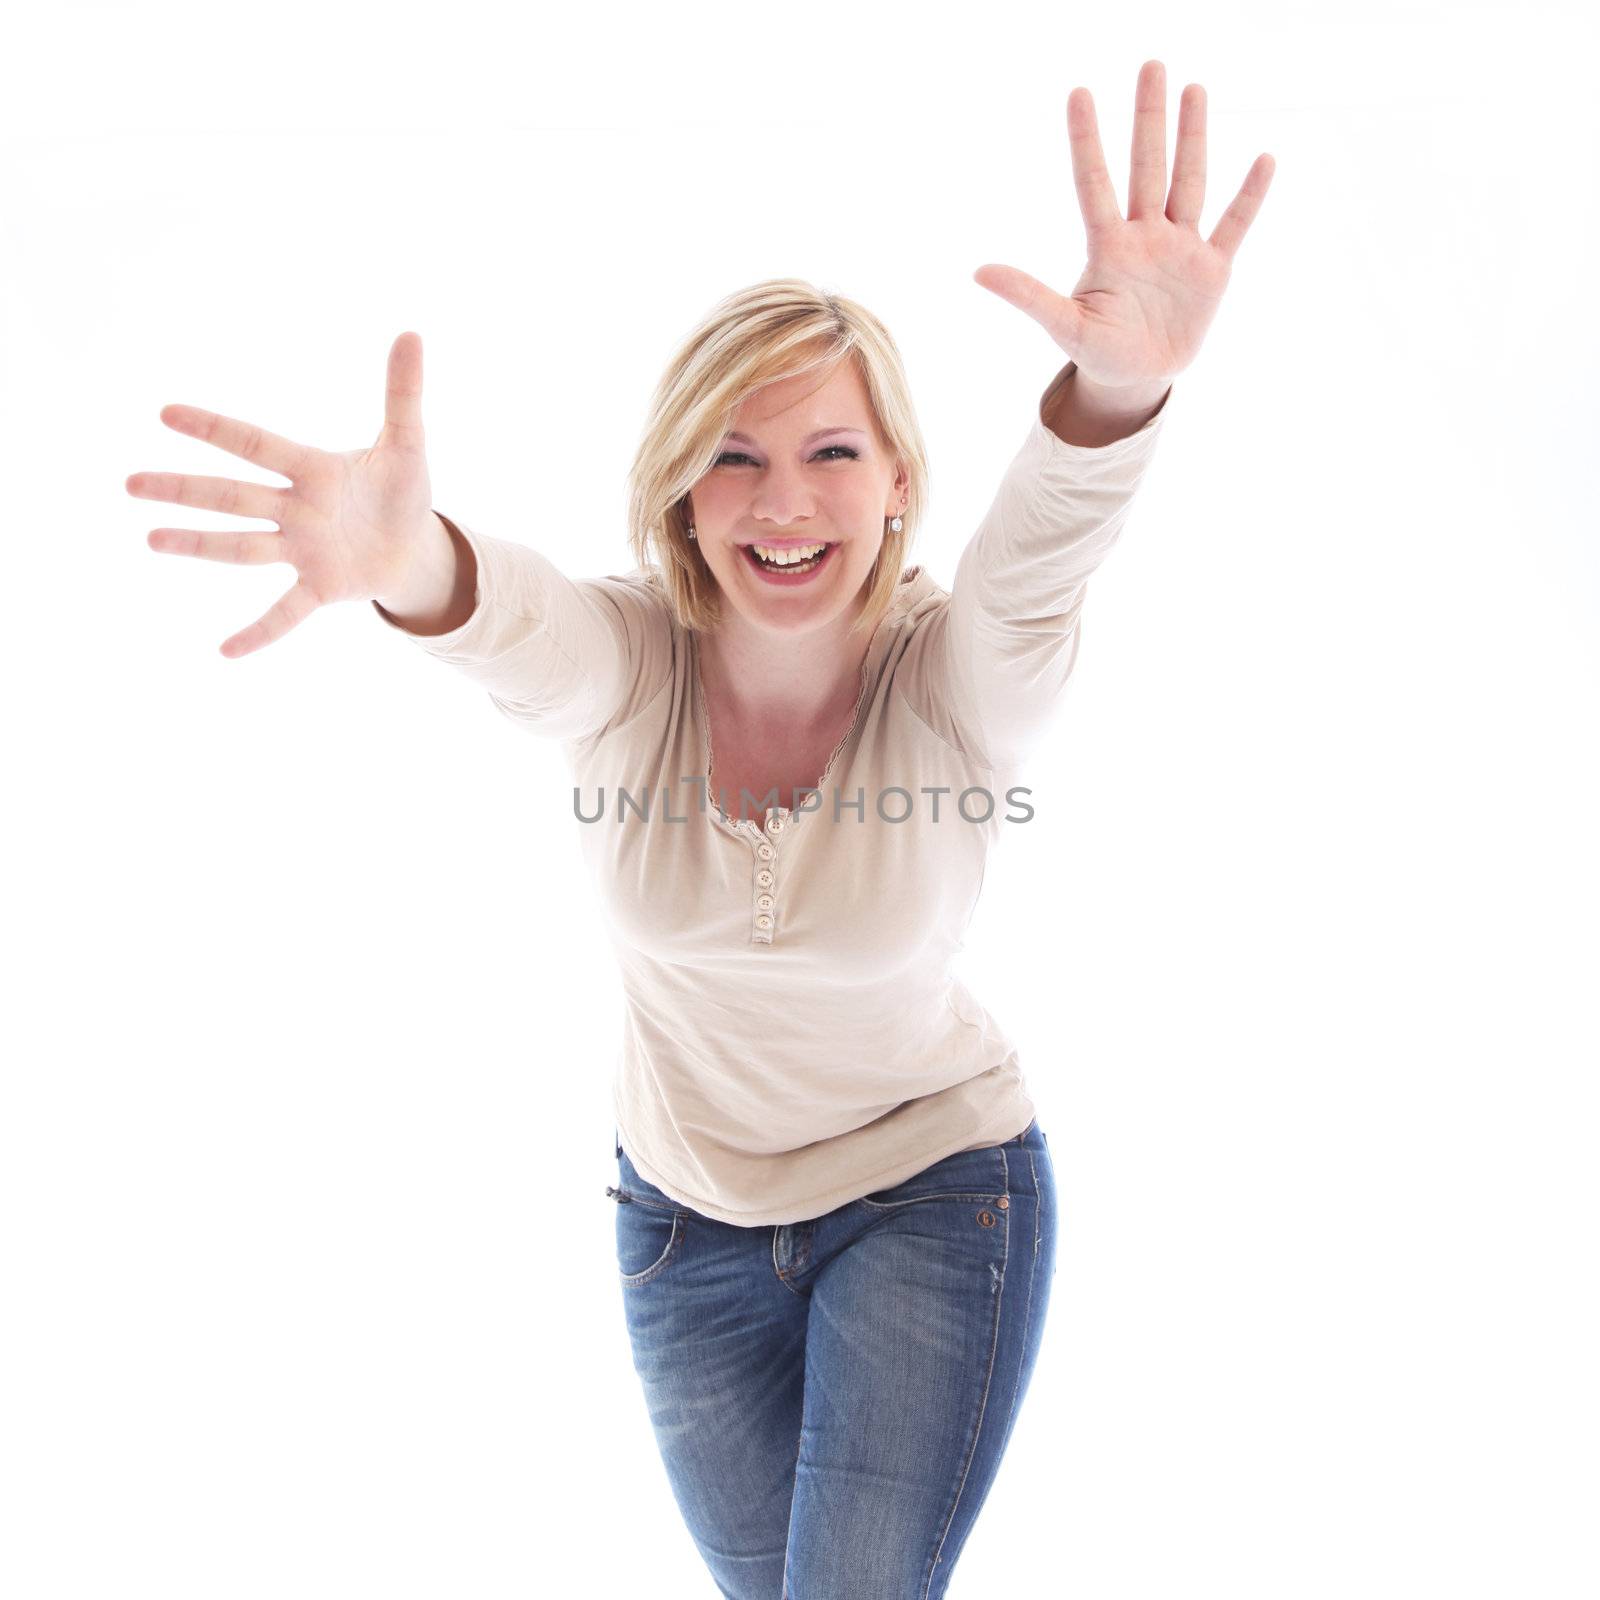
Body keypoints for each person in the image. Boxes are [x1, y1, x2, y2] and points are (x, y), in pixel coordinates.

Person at [127, 59, 1272, 1600]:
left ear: (896, 486)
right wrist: (414, 564)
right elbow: (521, 628)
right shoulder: (634, 667)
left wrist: (1115, 390)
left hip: (934, 1200)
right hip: (684, 1233)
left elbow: (1037, 567)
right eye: (732, 455)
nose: (780, 501)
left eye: (829, 454)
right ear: (678, 491)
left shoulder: (958, 686)